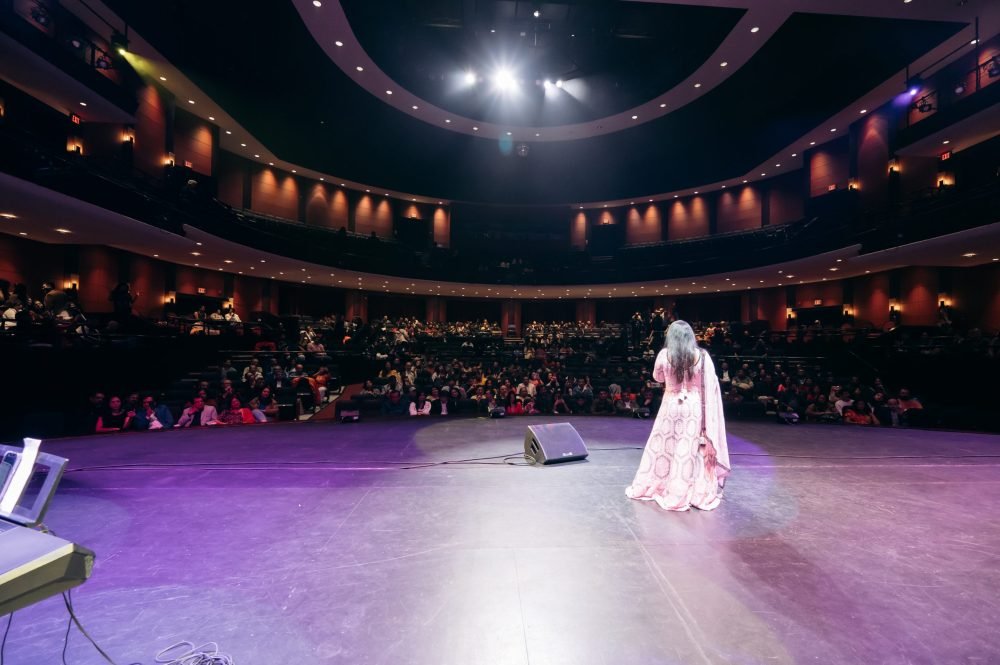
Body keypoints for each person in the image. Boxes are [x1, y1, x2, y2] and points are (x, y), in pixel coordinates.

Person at [626, 320, 730, 512]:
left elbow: (657, 377)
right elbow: (708, 384)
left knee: (664, 445)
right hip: (693, 406)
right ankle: (684, 489)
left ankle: (661, 484)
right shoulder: (702, 356)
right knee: (688, 448)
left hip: (671, 404)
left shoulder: (664, 355)